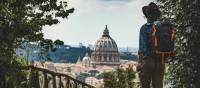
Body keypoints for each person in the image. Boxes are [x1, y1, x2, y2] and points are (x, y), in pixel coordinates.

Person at [137, 2, 170, 88]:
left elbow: (142, 48)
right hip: (160, 61)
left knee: (145, 85)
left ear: (147, 15)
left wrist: (140, 63)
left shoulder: (144, 28)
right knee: (158, 86)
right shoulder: (162, 27)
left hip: (148, 61)